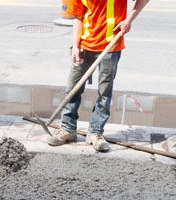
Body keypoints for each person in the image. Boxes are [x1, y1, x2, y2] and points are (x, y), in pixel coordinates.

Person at [48, 0, 149, 152]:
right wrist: (75, 46)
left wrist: (129, 20)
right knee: (72, 89)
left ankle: (95, 133)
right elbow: (78, 17)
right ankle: (68, 129)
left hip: (111, 47)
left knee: (104, 93)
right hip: (84, 45)